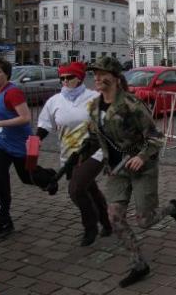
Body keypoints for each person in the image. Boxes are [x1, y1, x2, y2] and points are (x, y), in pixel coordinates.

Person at [75, 56, 176, 287]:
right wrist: (84, 150)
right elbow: (96, 136)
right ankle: (139, 265)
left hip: (142, 168)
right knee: (115, 217)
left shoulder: (132, 104)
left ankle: (171, 208)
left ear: (116, 78)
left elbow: (156, 137)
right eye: (95, 74)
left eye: (103, 74)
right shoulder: (94, 107)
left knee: (144, 220)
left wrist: (141, 156)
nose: (97, 78)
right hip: (117, 170)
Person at [36, 61, 112, 246]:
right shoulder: (54, 101)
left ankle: (90, 227)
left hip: (95, 152)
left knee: (76, 189)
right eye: (61, 78)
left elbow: (109, 123)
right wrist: (37, 139)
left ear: (79, 78)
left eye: (69, 77)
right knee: (89, 188)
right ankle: (106, 222)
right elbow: (45, 124)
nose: (65, 81)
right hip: (69, 154)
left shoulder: (95, 97)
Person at [0, 58, 56, 238]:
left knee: (28, 177)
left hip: (19, 144)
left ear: (6, 74)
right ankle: (3, 221)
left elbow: (25, 117)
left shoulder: (13, 93)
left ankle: (49, 177)